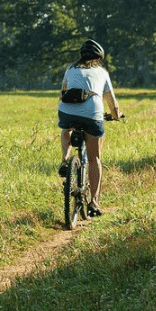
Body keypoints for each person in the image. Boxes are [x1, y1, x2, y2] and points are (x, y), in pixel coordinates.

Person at [57, 39, 123, 217]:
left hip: (66, 111)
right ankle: (94, 203)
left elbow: (63, 92)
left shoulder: (70, 69)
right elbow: (112, 104)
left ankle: (65, 160)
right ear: (99, 58)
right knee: (94, 158)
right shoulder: (102, 72)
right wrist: (116, 116)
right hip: (92, 115)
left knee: (66, 128)